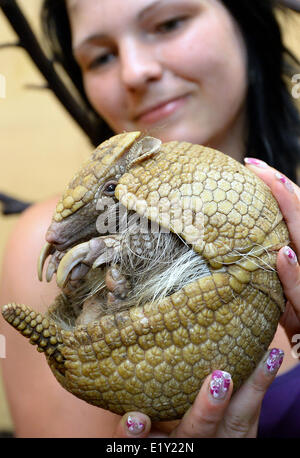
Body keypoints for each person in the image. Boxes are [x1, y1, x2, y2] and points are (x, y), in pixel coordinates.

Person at [0, 0, 300, 438]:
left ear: (243, 18)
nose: (133, 72)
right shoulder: (43, 250)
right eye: (101, 56)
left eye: (168, 23)